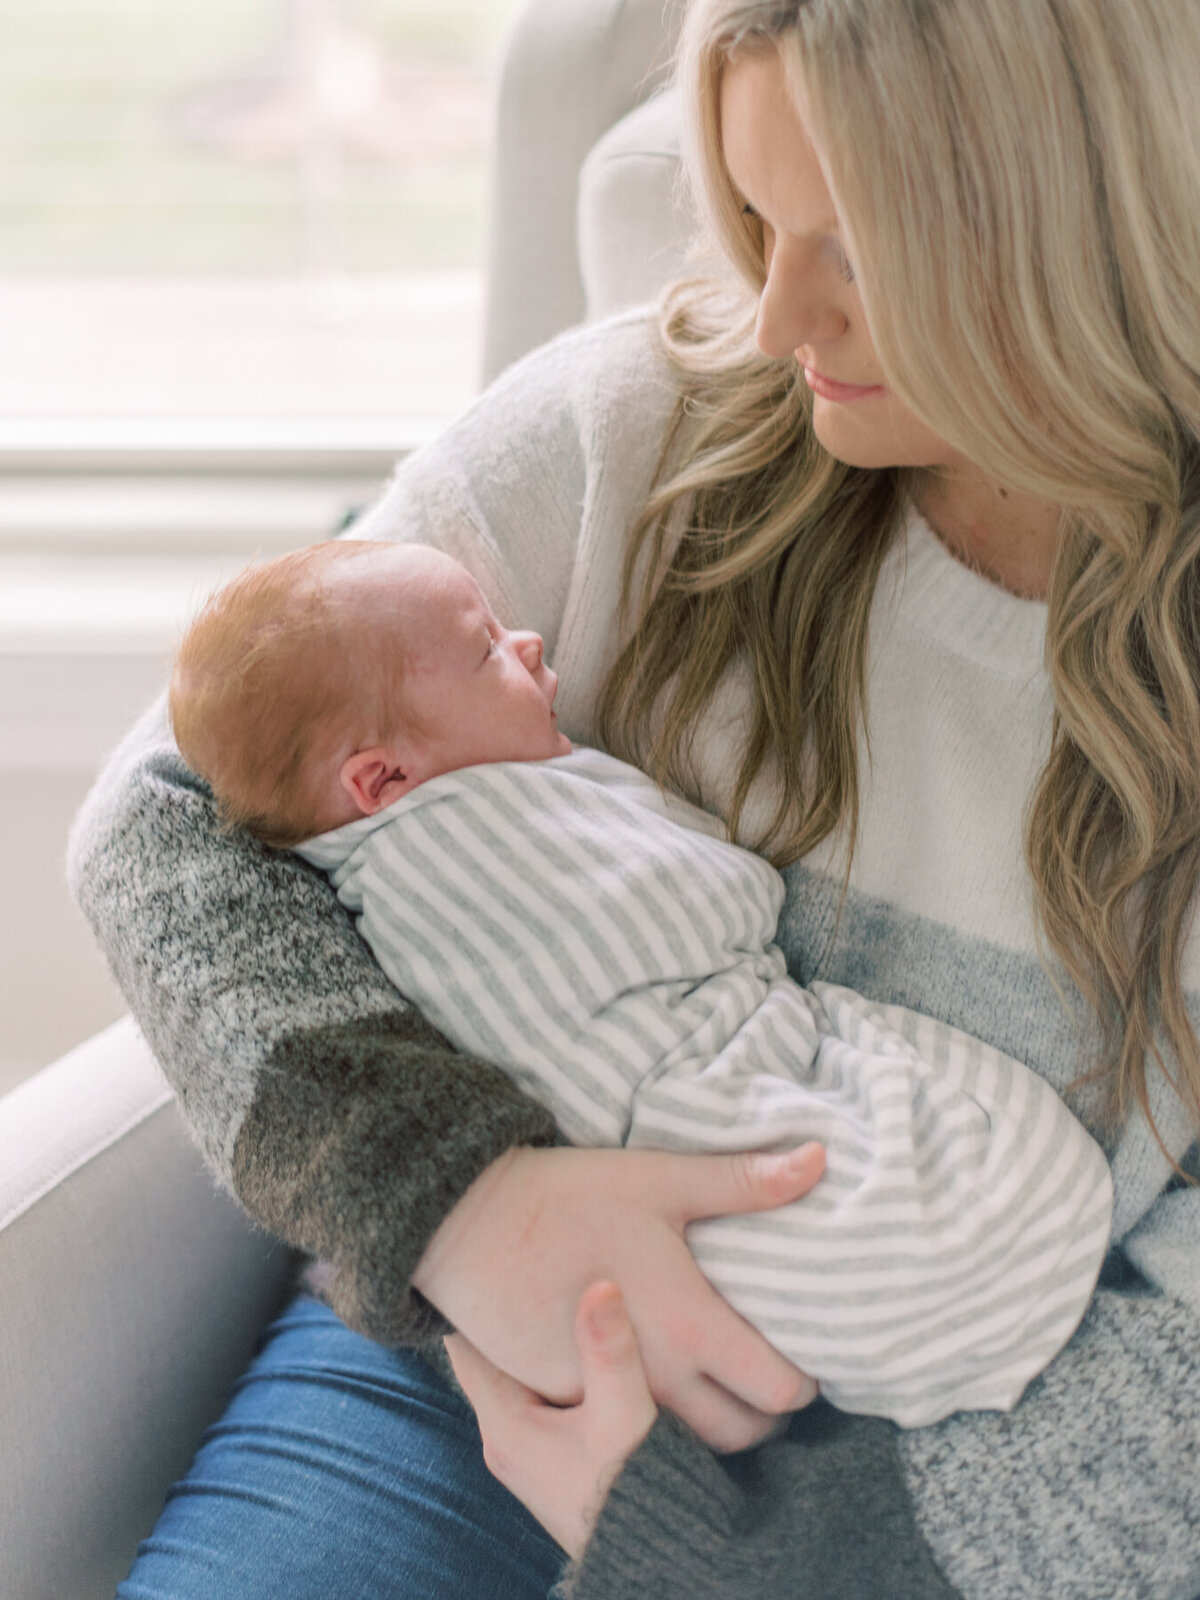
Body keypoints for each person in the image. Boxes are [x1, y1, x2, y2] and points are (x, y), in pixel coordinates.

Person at [69, 0, 1200, 1595]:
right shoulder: (627, 431)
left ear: (1096, 236)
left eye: (859, 252)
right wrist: (466, 1204)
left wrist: (730, 1545)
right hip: (466, 1365)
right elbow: (163, 823)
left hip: (932, 1497)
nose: (775, 315)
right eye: (754, 218)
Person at [167, 536, 1113, 1429]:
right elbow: (697, 905)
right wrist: (464, 1219)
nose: (529, 641)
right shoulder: (458, 843)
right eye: (487, 648)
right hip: (630, 1150)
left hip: (593, 1299)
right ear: (381, 779)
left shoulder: (392, 756)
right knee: (851, 1187)